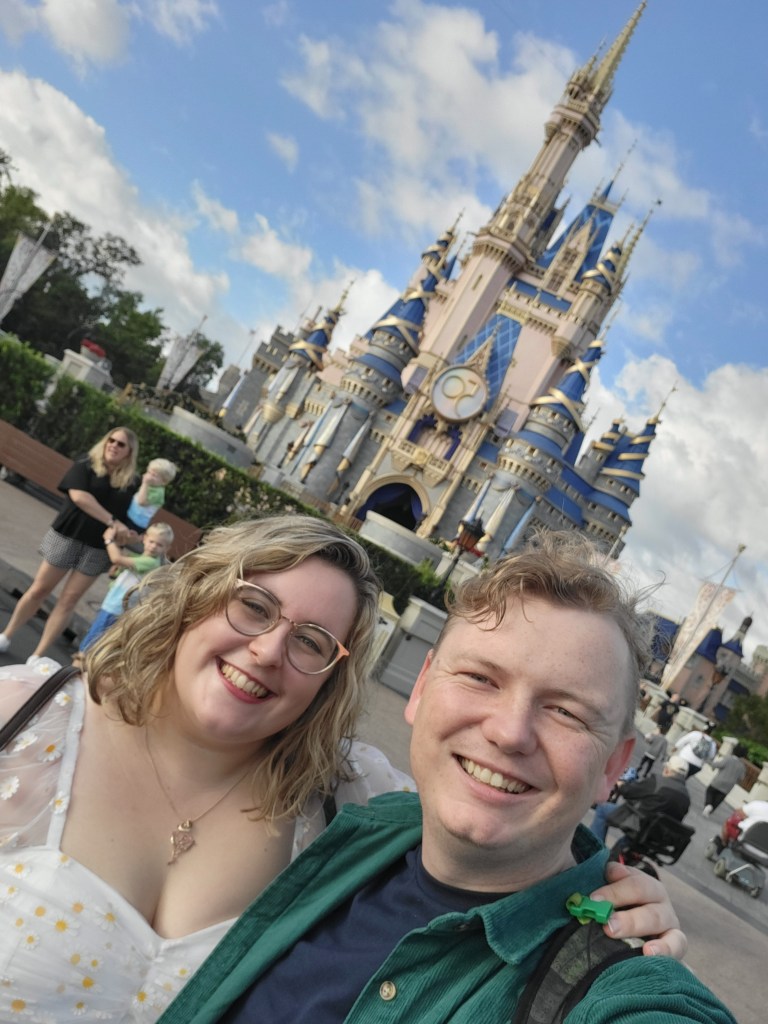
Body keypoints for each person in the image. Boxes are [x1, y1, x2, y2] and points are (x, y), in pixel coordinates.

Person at [0, 521, 686, 1022]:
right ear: (197, 597)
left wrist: (612, 898)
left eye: (311, 642)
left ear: (332, 678)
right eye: (255, 607)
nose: (269, 650)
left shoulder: (343, 796)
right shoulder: (21, 718)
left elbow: (494, 824)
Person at [0, 427, 140, 663]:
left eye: (121, 444)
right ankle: (6, 634)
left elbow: (131, 521)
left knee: (68, 601)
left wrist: (128, 535)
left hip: (98, 548)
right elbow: (79, 497)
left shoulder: (131, 484)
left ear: (130, 452)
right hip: (67, 536)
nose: (114, 445)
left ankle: (37, 656)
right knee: (39, 590)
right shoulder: (86, 464)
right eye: (111, 440)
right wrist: (112, 521)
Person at [76, 521, 175, 655]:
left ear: (166, 548)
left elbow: (116, 558)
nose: (153, 547)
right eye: (152, 541)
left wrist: (109, 540)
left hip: (116, 607)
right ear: (144, 538)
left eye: (159, 545)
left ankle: (75, 669)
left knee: (88, 647)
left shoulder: (150, 562)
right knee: (97, 643)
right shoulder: (141, 558)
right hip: (114, 605)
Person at [589, 754, 691, 844]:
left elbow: (629, 792)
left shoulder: (658, 782)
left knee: (602, 809)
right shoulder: (687, 797)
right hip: (660, 836)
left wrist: (622, 785)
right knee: (638, 834)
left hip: (639, 824)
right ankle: (618, 854)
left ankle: (594, 849)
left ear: (668, 770)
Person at [128, 457, 178, 529]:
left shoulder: (158, 493)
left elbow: (141, 502)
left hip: (136, 522)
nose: (149, 476)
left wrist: (145, 483)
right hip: (130, 514)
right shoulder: (150, 486)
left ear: (164, 482)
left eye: (154, 475)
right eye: (148, 472)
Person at [703, 743, 747, 816]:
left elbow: (718, 765)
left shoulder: (728, 759)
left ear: (734, 751)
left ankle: (708, 804)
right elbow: (741, 778)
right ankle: (710, 810)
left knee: (710, 791)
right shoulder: (742, 767)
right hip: (729, 786)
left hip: (718, 781)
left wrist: (708, 761)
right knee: (719, 799)